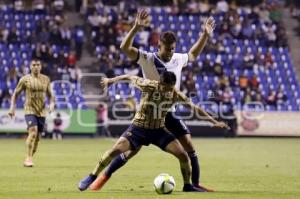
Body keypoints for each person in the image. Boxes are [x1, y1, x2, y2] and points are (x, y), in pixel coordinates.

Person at [99, 9, 216, 191]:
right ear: (158, 45)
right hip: (149, 113)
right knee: (131, 152)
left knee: (189, 147)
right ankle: (104, 176)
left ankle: (193, 184)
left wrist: (204, 36)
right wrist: (136, 28)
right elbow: (124, 48)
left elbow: (193, 54)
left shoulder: (177, 58)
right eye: (167, 48)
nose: (170, 52)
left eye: (173, 49)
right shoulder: (147, 58)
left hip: (170, 111)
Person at [78, 72, 229, 192]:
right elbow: (129, 77)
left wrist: (214, 122)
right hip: (138, 128)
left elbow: (195, 109)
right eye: (166, 87)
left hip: (158, 130)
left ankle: (187, 186)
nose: (168, 91)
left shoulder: (175, 93)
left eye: (171, 87)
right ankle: (92, 176)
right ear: (160, 83)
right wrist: (111, 80)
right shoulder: (149, 85)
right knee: (115, 150)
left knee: (183, 155)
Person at [8, 59, 55, 167]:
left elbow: (51, 95)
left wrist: (52, 105)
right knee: (33, 131)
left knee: (37, 139)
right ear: (30, 66)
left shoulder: (46, 79)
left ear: (41, 66)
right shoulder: (25, 79)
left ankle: (29, 157)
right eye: (33, 65)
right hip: (29, 109)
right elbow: (16, 93)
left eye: (38, 65)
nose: (36, 67)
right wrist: (12, 107)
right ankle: (28, 159)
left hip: (42, 111)